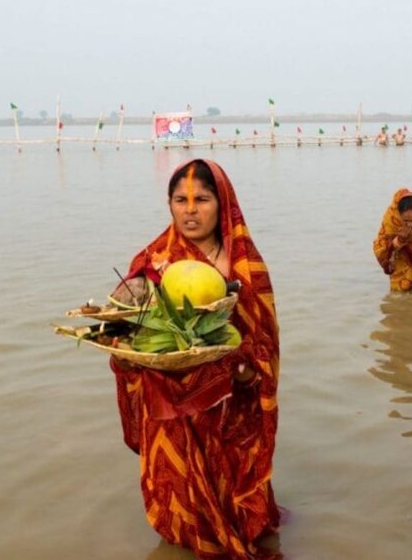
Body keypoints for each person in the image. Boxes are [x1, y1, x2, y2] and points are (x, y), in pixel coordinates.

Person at [108, 159, 280, 559]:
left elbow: (264, 340)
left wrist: (243, 369)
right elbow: (125, 330)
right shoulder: (152, 260)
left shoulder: (245, 266)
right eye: (180, 200)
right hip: (169, 402)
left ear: (223, 204)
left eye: (201, 199)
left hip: (230, 400)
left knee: (234, 488)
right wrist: (127, 352)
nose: (190, 210)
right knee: (178, 490)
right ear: (168, 204)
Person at [373, 189, 412, 291]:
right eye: (405, 220)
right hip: (401, 274)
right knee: (400, 298)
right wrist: (399, 240)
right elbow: (382, 248)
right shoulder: (393, 221)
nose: (409, 224)